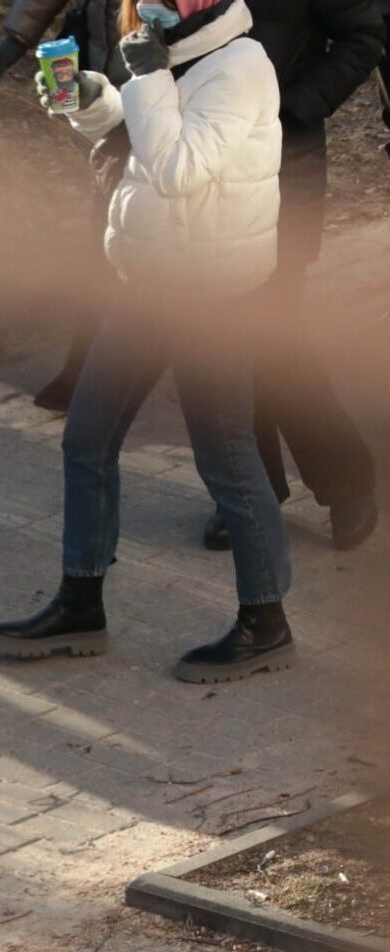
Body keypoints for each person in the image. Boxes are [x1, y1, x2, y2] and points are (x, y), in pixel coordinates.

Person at [0, 0, 296, 683]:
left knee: (227, 460)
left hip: (211, 297)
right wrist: (89, 103)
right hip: (147, 285)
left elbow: (177, 167)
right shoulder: (172, 49)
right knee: (86, 439)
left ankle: (266, 622)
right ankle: (80, 604)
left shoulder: (240, 66)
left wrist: (145, 73)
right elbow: (138, 136)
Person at [199, 0, 382, 551]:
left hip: (283, 171)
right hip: (203, 176)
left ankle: (345, 481)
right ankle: (252, 489)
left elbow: (365, 36)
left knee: (278, 343)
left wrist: (293, 107)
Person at [0, 0, 134, 411]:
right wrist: (17, 37)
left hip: (178, 92)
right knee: (104, 240)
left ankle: (211, 370)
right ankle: (82, 368)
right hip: (104, 67)